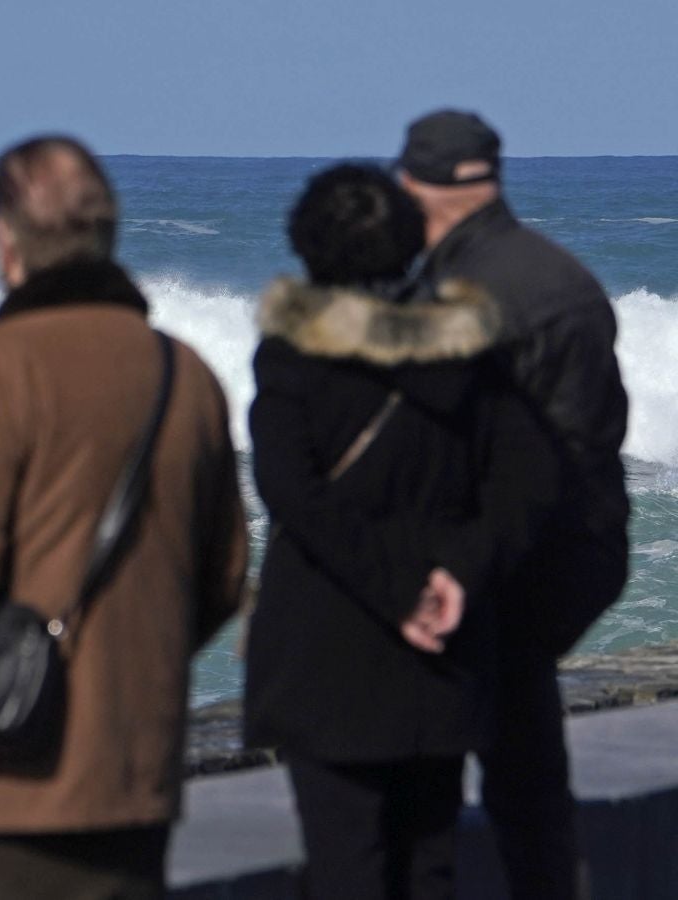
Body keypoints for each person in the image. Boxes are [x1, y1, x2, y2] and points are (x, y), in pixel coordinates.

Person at [0, 136, 250, 899]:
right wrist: (135, 667)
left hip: (17, 771)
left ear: (6, 243)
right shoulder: (186, 374)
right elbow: (225, 573)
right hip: (136, 763)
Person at [245, 163, 558, 899]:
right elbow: (527, 482)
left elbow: (291, 493)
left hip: (327, 644)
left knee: (345, 866)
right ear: (412, 242)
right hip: (444, 648)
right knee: (428, 865)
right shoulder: (471, 354)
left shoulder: (292, 356)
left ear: (307, 243)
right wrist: (458, 573)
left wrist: (397, 593)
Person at [397, 110, 630, 900]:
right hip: (579, 549)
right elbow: (591, 439)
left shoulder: (454, 295)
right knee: (527, 763)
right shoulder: (561, 277)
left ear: (417, 188)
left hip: (496, 561)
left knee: (431, 769)